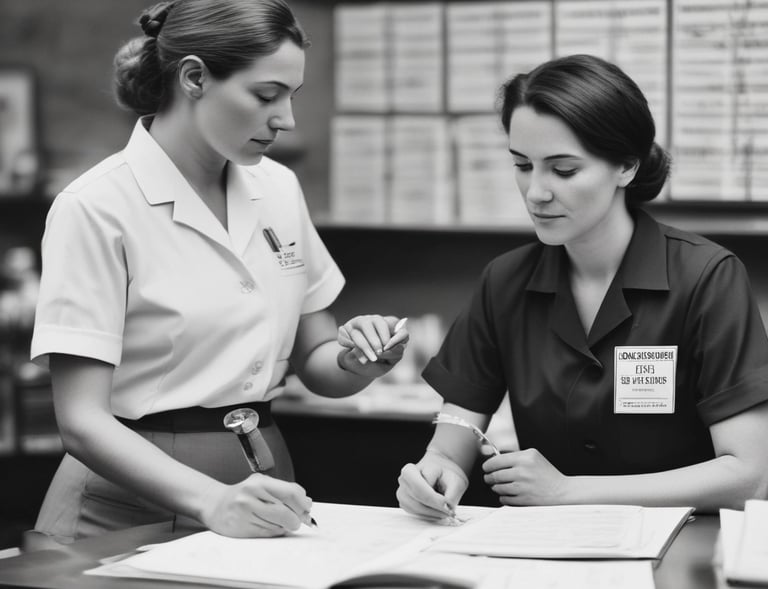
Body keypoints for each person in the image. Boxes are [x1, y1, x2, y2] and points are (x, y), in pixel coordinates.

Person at [29, 0, 408, 544]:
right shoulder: (96, 206)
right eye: (265, 94)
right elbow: (81, 421)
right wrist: (213, 501)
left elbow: (319, 363)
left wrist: (362, 359)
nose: (286, 119)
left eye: (291, 96)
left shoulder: (278, 188)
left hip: (262, 488)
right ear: (194, 77)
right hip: (122, 510)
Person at [396, 54, 768, 519]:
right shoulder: (505, 282)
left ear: (626, 167)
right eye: (522, 165)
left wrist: (567, 491)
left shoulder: (707, 277)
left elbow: (749, 476)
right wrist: (434, 475)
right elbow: (451, 446)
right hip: (549, 550)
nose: (536, 192)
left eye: (564, 170)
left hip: (682, 544)